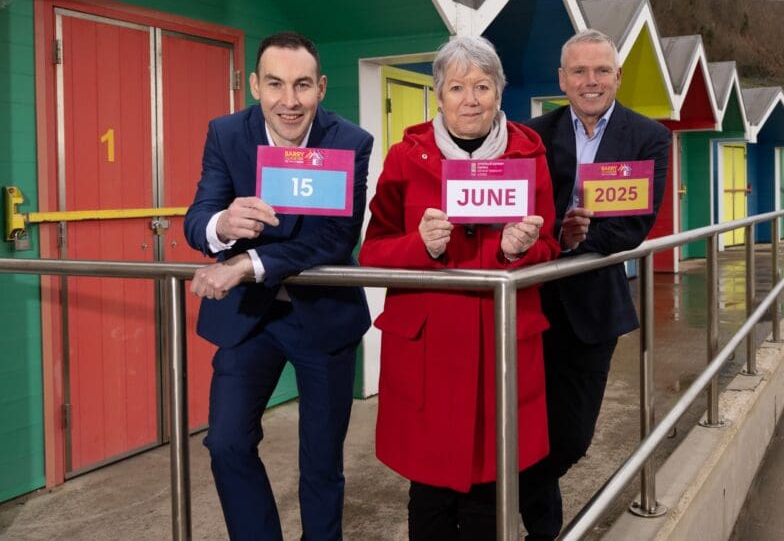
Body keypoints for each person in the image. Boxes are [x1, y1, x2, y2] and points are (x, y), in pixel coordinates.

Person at [359, 35, 561, 539]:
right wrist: (420, 246)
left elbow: (551, 245)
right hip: (429, 348)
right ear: (438, 95)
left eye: (482, 86)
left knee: (490, 489)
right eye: (456, 87)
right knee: (428, 491)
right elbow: (373, 249)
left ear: (499, 93)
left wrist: (519, 250)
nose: (470, 99)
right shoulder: (407, 158)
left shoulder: (529, 155)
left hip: (501, 345)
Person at [184, 31, 373, 540]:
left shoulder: (350, 141)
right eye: (275, 84)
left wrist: (247, 263)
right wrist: (222, 224)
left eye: (302, 85)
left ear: (322, 87)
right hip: (250, 319)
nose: (289, 101)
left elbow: (336, 238)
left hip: (324, 319)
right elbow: (197, 215)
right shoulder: (226, 134)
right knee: (225, 443)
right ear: (254, 85)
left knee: (320, 461)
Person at [519, 29, 671, 539]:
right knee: (527, 432)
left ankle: (519, 492)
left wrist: (566, 247)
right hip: (530, 305)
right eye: (579, 71)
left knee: (571, 438)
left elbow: (634, 225)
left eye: (601, 70)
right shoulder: (532, 135)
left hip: (592, 310)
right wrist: (550, 240)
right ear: (562, 80)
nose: (591, 81)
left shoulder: (648, 137)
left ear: (617, 76)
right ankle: (544, 531)